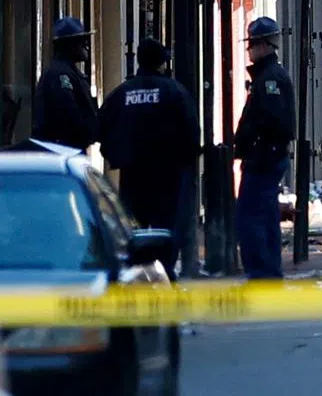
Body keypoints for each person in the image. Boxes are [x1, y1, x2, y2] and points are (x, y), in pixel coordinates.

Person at [99, 38, 199, 280]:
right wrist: (185, 162)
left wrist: (114, 156)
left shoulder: (122, 93)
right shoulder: (174, 92)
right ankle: (165, 273)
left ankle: (139, 275)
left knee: (135, 230)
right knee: (166, 227)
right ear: (162, 63)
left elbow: (100, 126)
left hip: (133, 176)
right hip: (168, 176)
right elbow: (191, 133)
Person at [234, 17, 296, 279]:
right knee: (266, 213)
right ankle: (268, 269)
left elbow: (270, 121)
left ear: (264, 45)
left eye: (252, 46)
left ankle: (262, 270)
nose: (249, 51)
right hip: (265, 156)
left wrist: (252, 143)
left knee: (251, 215)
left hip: (264, 158)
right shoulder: (268, 77)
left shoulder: (270, 79)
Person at [32, 17, 98, 151]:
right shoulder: (60, 75)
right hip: (63, 150)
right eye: (81, 42)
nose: (86, 46)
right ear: (70, 45)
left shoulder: (70, 72)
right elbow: (68, 113)